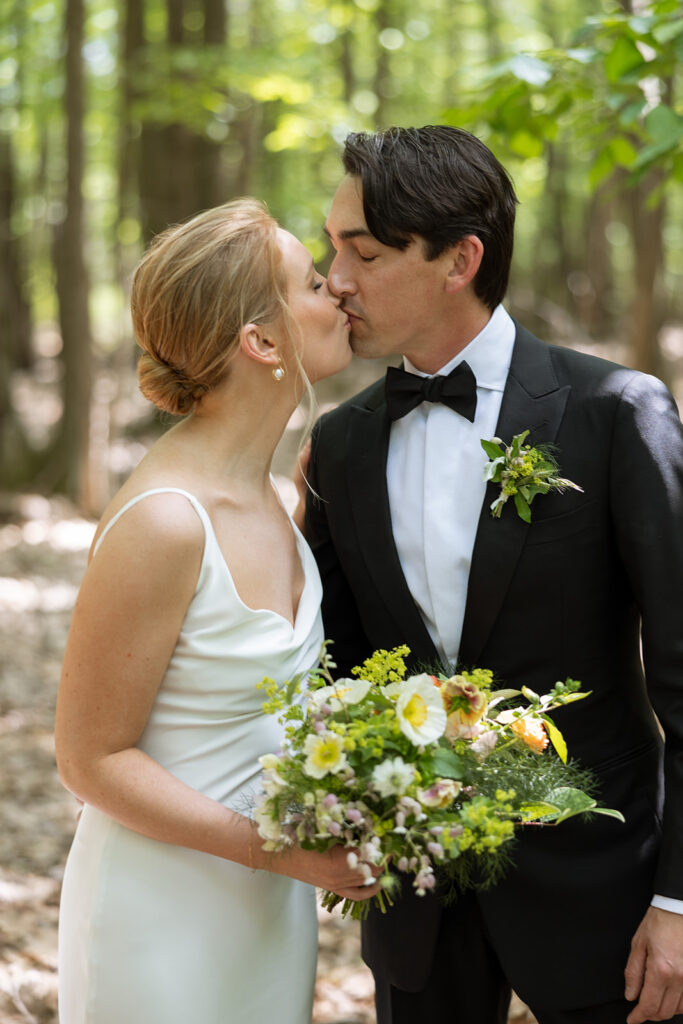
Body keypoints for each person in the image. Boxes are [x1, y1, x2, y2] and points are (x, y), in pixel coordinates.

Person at [304, 126, 683, 1024]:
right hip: (416, 900)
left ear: (459, 258)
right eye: (329, 250)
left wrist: (678, 902)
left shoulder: (615, 413)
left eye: (362, 250)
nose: (336, 280)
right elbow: (344, 668)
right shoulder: (339, 444)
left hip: (606, 897)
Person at [55, 198, 381, 1024]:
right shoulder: (166, 521)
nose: (339, 290)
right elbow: (89, 760)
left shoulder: (274, 492)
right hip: (161, 913)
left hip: (267, 909)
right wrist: (276, 851)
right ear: (262, 342)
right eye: (312, 281)